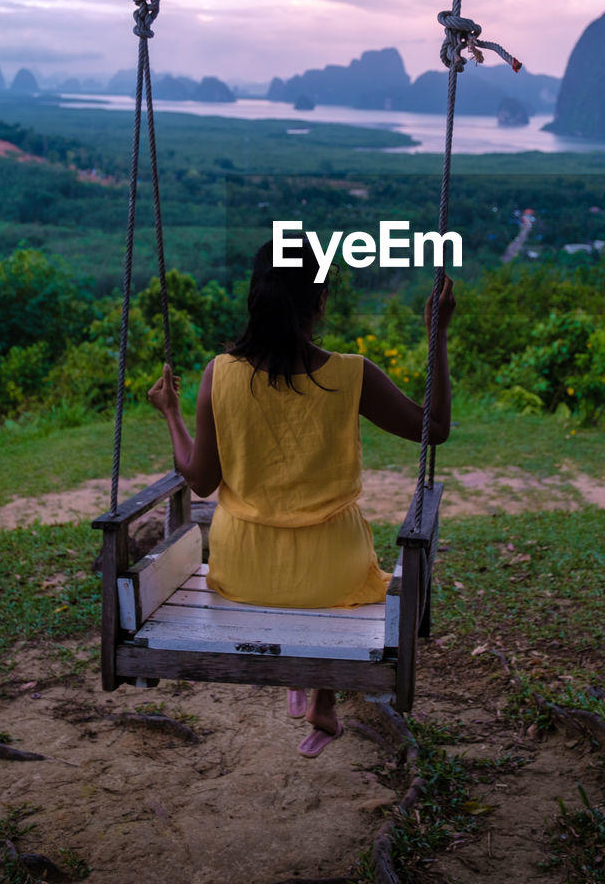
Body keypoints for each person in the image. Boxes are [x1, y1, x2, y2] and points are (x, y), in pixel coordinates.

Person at [148, 237, 454, 757]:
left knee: (305, 572)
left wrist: (173, 414)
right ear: (319, 302)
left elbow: (199, 481)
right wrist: (436, 334)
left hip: (243, 570)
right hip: (329, 574)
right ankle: (322, 698)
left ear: (256, 298)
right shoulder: (352, 374)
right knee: (343, 562)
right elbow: (437, 428)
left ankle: (312, 686)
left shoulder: (219, 373)